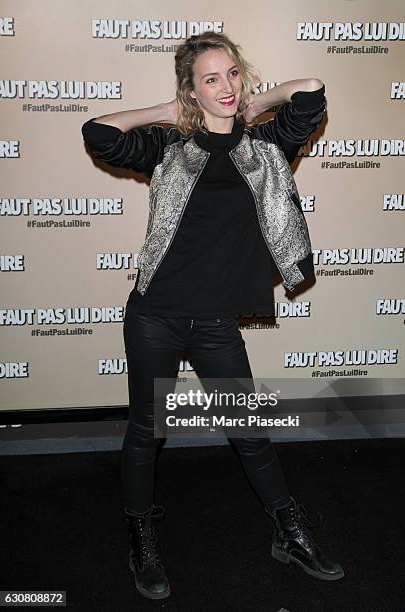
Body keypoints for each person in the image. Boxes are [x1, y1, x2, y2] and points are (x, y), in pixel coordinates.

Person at [82, 32, 344, 600]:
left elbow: (312, 92)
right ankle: (141, 534)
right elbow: (98, 133)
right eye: (210, 79)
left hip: (215, 323)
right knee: (146, 431)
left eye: (231, 74)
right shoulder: (168, 147)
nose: (225, 86)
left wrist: (257, 101)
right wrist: (163, 111)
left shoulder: (267, 143)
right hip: (154, 314)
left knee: (248, 431)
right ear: (191, 90)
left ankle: (288, 531)